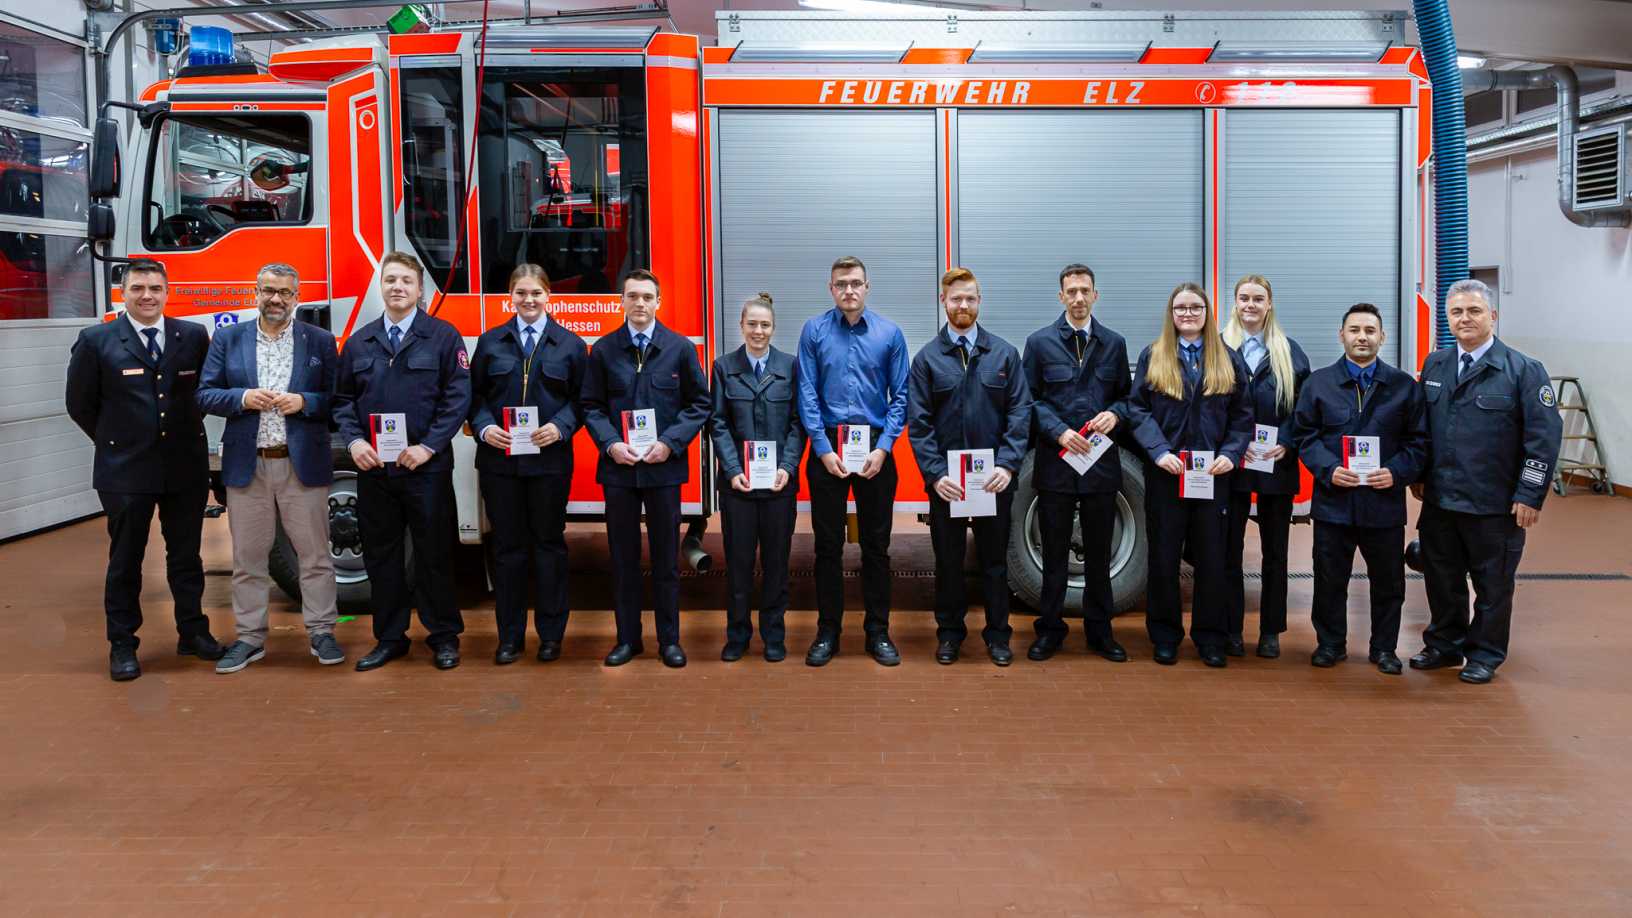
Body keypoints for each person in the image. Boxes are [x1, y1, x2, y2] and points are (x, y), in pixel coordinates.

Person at [65, 258, 223, 681]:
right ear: (123, 293)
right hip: (125, 470)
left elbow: (204, 392)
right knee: (126, 559)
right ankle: (122, 644)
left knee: (186, 556)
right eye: (138, 288)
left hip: (184, 467)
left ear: (167, 292)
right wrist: (117, 441)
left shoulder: (192, 336)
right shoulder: (96, 340)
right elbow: (79, 404)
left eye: (155, 288)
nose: (147, 296)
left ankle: (193, 632)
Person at [1410, 279, 1562, 684]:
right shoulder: (1435, 365)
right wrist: (1420, 476)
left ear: (1492, 316)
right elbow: (1423, 428)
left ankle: (1485, 654)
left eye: (1474, 311)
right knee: (1442, 580)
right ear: (1448, 318)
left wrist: (1530, 494)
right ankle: (1444, 644)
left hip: (1495, 504)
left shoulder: (1523, 370)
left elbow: (1543, 439)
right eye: (1457, 312)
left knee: (1493, 586)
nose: (1465, 318)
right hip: (1441, 500)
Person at [196, 262, 343, 673]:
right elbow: (204, 394)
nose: (276, 299)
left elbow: (338, 399)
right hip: (249, 466)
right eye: (269, 291)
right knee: (248, 560)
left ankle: (322, 632)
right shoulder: (228, 339)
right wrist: (242, 398)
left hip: (301, 465)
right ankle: (249, 639)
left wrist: (305, 402)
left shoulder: (320, 341)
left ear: (297, 297)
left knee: (315, 556)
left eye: (285, 292)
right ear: (256, 292)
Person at [333, 251, 471, 672]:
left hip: (425, 468)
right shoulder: (359, 342)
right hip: (375, 469)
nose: (397, 287)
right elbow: (342, 401)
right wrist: (355, 443)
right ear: (381, 287)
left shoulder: (443, 337)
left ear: (419, 289)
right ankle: (390, 638)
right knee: (382, 558)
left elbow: (457, 398)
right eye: (390, 280)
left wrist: (428, 446)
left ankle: (443, 637)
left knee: (434, 554)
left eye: (406, 281)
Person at [581, 268, 711, 668]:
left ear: (659, 302)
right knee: (623, 560)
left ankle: (669, 641)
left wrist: (669, 443)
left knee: (666, 560)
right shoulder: (604, 350)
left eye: (647, 297)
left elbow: (700, 404)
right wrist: (610, 444)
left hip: (662, 469)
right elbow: (590, 405)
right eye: (632, 296)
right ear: (621, 301)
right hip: (619, 470)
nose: (640, 303)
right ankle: (628, 640)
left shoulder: (679, 349)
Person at [1293, 303, 1428, 673]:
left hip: (1383, 504)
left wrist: (1397, 472)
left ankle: (1384, 649)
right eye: (1354, 330)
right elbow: (1304, 436)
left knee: (1389, 582)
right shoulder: (1318, 384)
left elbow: (1419, 441)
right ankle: (1330, 644)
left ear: (1382, 337)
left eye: (1370, 331)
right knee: (1329, 578)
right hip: (1334, 502)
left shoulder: (1403, 387)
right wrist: (1329, 469)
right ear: (1342, 335)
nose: (1362, 337)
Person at [1123, 282, 1253, 667]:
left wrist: (1230, 454)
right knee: (1164, 559)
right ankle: (1165, 636)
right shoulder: (1154, 355)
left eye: (1195, 307)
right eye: (1180, 308)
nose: (1188, 314)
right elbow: (1137, 410)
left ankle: (1210, 638)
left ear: (1207, 313)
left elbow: (1242, 416)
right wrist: (1159, 451)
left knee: (1212, 560)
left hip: (1212, 476)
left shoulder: (1227, 359)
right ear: (1171, 314)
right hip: (1168, 474)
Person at [906, 267, 1030, 666]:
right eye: (956, 298)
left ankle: (998, 636)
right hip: (948, 484)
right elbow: (919, 423)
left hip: (994, 482)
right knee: (948, 563)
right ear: (943, 301)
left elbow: (1020, 413)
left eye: (970, 298)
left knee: (995, 563)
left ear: (980, 301)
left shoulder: (1004, 355)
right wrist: (935, 475)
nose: (963, 305)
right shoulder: (927, 359)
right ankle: (949, 635)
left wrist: (1007, 466)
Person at [468, 264, 587, 665]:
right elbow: (473, 397)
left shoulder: (570, 345)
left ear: (549, 296)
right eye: (521, 292)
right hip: (500, 464)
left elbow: (584, 400)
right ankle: (510, 637)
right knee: (507, 550)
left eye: (536, 292)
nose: (529, 300)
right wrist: (484, 428)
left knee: (549, 548)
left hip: (549, 464)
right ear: (510, 297)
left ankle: (551, 636)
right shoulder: (490, 342)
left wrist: (561, 426)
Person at [796, 256, 911, 667]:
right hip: (827, 446)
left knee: (876, 547)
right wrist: (822, 449)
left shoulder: (889, 334)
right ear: (831, 288)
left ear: (867, 287)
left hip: (874, 448)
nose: (849, 290)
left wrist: (884, 448)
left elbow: (901, 395)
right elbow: (807, 392)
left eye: (856, 283)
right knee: (827, 547)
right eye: (841, 283)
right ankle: (828, 632)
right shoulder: (813, 331)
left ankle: (878, 632)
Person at [1022, 263, 1132, 663]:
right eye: (1071, 291)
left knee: (1099, 557)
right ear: (1061, 296)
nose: (1079, 298)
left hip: (1100, 467)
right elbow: (1028, 400)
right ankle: (1049, 631)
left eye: (1085, 291)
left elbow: (1127, 398)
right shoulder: (1039, 343)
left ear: (1095, 295)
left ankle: (1100, 633)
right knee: (1053, 556)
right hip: (1056, 465)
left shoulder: (1114, 343)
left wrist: (1115, 415)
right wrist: (1058, 431)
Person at [708, 293, 806, 663]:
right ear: (742, 326)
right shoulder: (723, 368)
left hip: (779, 486)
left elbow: (798, 423)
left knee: (777, 565)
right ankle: (737, 636)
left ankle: (774, 636)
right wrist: (733, 471)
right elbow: (717, 423)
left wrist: (788, 467)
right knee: (738, 565)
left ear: (773, 328)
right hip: (739, 489)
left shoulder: (790, 366)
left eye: (765, 324)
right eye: (752, 324)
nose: (758, 331)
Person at [1219, 275, 1310, 659]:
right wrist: (1229, 448)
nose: (1251, 305)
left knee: (1276, 553)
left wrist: (1287, 442)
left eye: (1258, 299)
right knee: (1229, 551)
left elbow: (1304, 409)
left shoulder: (1291, 352)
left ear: (1269, 304)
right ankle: (1231, 630)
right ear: (1236, 303)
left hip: (1276, 464)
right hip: (1232, 466)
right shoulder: (1219, 349)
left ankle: (1271, 631)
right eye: (1244, 298)